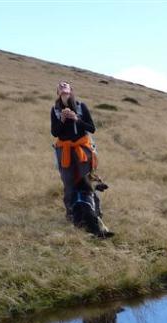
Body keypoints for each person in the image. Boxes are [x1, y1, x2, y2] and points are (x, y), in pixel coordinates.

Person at [51, 80, 109, 233]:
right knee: (68, 183)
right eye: (60, 86)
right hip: (64, 151)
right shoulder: (55, 110)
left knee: (88, 181)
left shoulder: (81, 106)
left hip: (83, 149)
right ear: (58, 92)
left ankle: (96, 214)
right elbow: (55, 133)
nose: (63, 85)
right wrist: (63, 120)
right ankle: (71, 215)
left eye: (66, 84)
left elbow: (92, 128)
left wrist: (77, 119)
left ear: (71, 90)